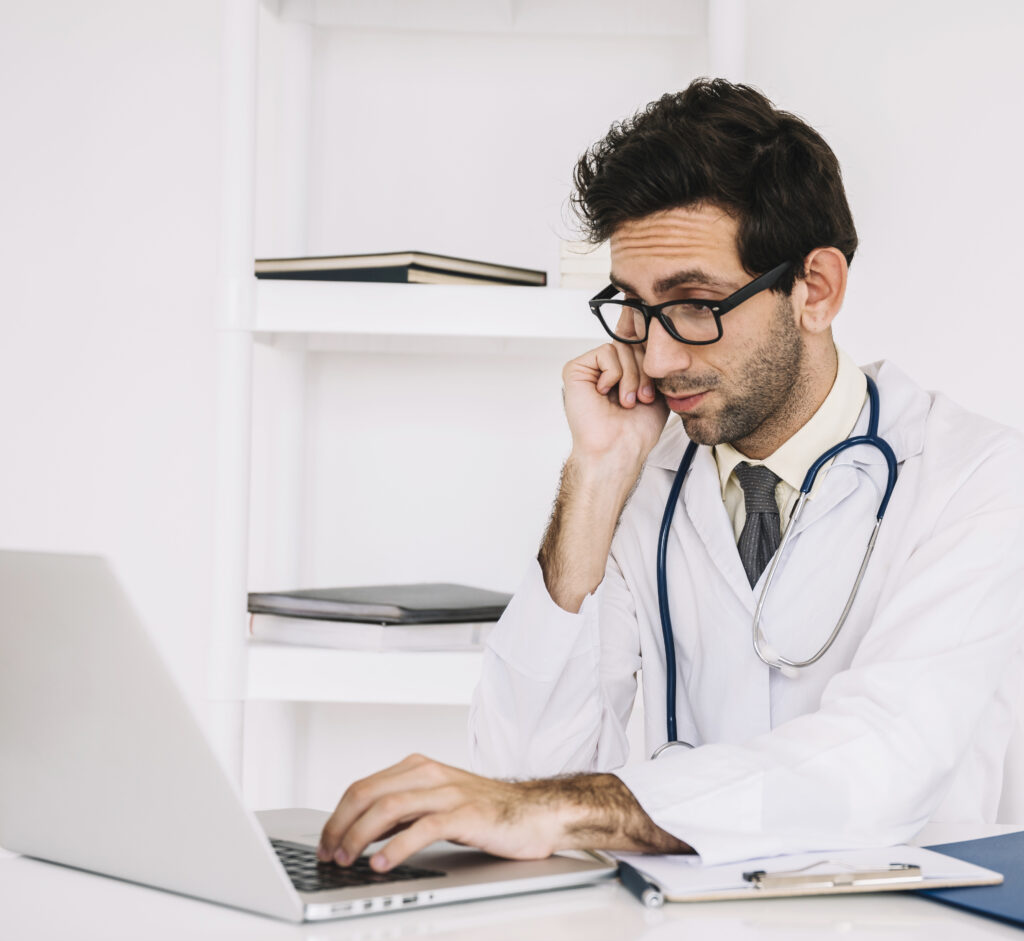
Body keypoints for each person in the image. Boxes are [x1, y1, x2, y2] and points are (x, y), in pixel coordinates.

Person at [317, 79, 1024, 873]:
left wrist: (564, 808)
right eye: (634, 305)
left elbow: (883, 764)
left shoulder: (977, 479)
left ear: (815, 289)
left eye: (693, 303)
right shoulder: (645, 477)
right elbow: (518, 769)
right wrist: (597, 475)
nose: (655, 357)